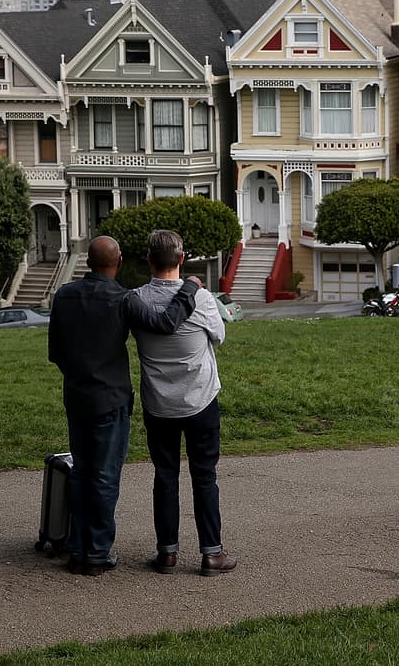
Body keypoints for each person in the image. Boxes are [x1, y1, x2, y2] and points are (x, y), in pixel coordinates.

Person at [48, 235, 200, 576]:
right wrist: (189, 288)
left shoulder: (65, 296)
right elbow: (165, 323)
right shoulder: (122, 300)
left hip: (76, 396)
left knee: (81, 472)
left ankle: (77, 548)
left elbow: (56, 352)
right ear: (117, 263)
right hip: (111, 398)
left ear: (88, 263)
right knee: (104, 476)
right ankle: (97, 553)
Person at [132, 229, 237, 576]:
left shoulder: (136, 300)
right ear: (182, 258)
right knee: (204, 476)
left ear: (149, 260)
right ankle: (211, 553)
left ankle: (167, 553)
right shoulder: (202, 300)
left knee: (165, 476)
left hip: (159, 404)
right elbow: (219, 335)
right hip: (200, 399)